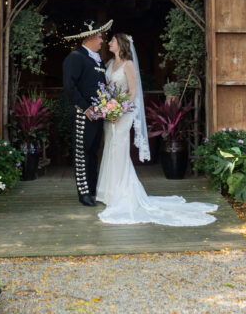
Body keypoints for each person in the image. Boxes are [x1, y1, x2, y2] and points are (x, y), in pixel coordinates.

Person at [96, 32, 218, 226]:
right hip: (110, 113)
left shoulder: (128, 65)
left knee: (119, 149)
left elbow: (133, 92)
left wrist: (119, 109)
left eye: (112, 40)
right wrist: (107, 106)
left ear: (120, 44)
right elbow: (107, 89)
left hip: (123, 114)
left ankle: (120, 192)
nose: (109, 43)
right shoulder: (110, 64)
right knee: (109, 148)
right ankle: (107, 191)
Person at [62, 18, 113, 205]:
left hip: (97, 114)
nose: (102, 41)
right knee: (82, 153)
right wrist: (85, 108)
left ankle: (92, 189)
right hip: (83, 114)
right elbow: (69, 87)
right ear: (90, 37)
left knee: (92, 152)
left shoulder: (96, 59)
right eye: (100, 37)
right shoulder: (75, 57)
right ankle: (83, 193)